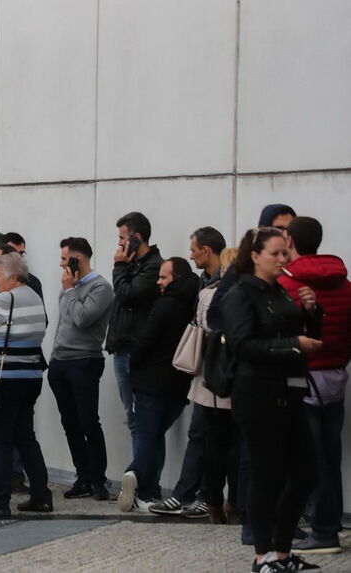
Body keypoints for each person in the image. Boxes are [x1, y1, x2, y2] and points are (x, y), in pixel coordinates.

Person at [223, 228, 322, 572]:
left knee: (306, 472)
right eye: (275, 254)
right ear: (255, 255)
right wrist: (294, 343)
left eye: (285, 253)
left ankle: (282, 551)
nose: (283, 260)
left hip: (289, 390)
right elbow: (242, 345)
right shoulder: (240, 295)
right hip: (257, 394)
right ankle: (262, 555)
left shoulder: (278, 290)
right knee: (266, 475)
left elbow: (301, 336)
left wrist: (311, 313)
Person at [279, 217, 351, 555]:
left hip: (302, 378)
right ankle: (330, 522)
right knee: (330, 454)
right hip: (336, 376)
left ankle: (322, 531)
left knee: (309, 458)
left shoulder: (286, 284)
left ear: (290, 240)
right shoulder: (344, 282)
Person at [147, 227, 228, 520]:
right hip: (205, 371)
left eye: (194, 249)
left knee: (213, 438)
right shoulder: (201, 281)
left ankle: (206, 496)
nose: (190, 253)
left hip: (219, 372)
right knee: (199, 433)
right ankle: (186, 494)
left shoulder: (222, 283)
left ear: (207, 250)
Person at [0, 253, 51, 518]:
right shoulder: (35, 298)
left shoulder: (6, 300)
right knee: (26, 438)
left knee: (0, 441)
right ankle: (41, 496)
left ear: (12, 275)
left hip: (3, 380)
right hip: (30, 378)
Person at [117, 257, 199, 512]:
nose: (159, 282)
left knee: (147, 437)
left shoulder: (164, 305)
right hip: (180, 383)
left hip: (151, 382)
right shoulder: (194, 304)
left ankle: (146, 489)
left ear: (176, 278)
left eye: (164, 277)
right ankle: (137, 476)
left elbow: (145, 341)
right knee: (153, 436)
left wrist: (134, 366)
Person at [47, 237, 114, 502]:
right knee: (70, 423)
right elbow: (63, 324)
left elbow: (83, 318)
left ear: (79, 259)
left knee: (88, 422)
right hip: (61, 362)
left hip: (84, 361)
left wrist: (71, 290)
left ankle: (99, 480)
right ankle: (82, 476)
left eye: (65, 259)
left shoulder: (100, 287)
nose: (61, 264)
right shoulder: (68, 287)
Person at [105, 211, 163, 445]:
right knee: (132, 417)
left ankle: (147, 478)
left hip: (141, 354)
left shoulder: (154, 266)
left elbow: (128, 296)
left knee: (146, 421)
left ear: (137, 237)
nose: (119, 243)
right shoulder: (131, 265)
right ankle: (138, 476)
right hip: (122, 349)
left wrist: (119, 267)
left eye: (122, 237)